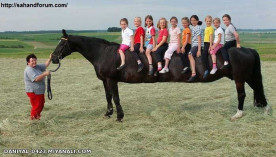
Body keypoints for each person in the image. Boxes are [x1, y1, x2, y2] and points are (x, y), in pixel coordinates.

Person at [24, 53, 52, 120]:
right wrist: (44, 74)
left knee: (41, 105)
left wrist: (50, 58)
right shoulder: (29, 70)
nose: (34, 62)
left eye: (35, 60)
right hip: (33, 91)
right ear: (28, 62)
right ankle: (33, 120)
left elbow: (45, 65)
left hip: (39, 91)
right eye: (32, 61)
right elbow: (36, 79)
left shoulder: (36, 66)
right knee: (36, 106)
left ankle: (37, 117)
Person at [187, 15, 203, 82]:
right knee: (189, 54)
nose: (193, 22)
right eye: (192, 20)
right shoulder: (194, 27)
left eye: (194, 20)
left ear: (197, 21)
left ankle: (193, 73)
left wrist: (199, 50)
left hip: (197, 45)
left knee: (190, 54)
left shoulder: (198, 27)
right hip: (194, 45)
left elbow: (199, 39)